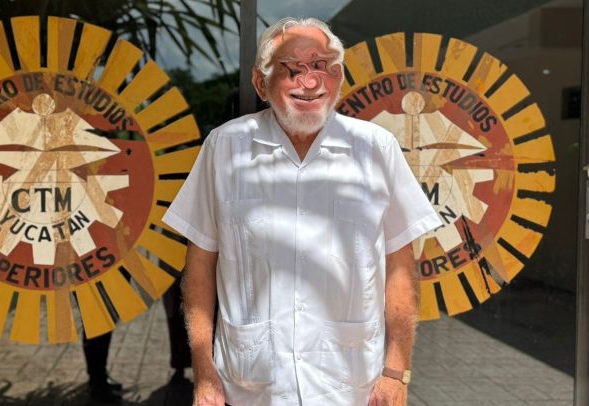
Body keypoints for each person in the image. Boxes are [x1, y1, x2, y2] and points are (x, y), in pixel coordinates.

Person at [163, 17, 441, 406]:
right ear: (260, 83)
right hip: (248, 387)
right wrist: (204, 370)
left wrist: (396, 371)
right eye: (291, 69)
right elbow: (199, 267)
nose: (309, 82)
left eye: (320, 66)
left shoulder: (376, 149)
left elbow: (400, 267)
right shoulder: (225, 148)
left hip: (351, 388)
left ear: (338, 77)